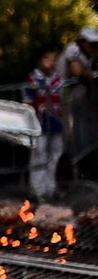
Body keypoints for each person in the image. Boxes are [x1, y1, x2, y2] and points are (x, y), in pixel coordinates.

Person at [23, 45, 65, 202]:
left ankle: (51, 188)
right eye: (47, 59)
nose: (51, 62)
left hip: (55, 123)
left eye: (53, 59)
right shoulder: (33, 80)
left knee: (55, 154)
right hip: (39, 124)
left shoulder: (57, 80)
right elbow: (26, 103)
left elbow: (62, 101)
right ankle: (37, 190)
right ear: (39, 61)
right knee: (39, 156)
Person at [56, 26, 98, 179]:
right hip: (61, 102)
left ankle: (81, 169)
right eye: (91, 44)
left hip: (77, 103)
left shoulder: (87, 54)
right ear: (82, 41)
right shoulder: (73, 50)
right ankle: (69, 173)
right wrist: (90, 75)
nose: (94, 47)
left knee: (81, 135)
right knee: (69, 139)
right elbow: (76, 71)